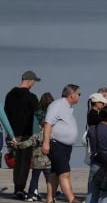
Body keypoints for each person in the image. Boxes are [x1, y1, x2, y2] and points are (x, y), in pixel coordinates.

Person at [4, 70, 41, 200]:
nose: (34, 84)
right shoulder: (32, 98)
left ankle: (17, 188)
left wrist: (8, 134)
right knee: (24, 163)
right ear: (29, 81)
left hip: (12, 134)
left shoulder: (9, 95)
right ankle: (20, 189)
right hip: (26, 135)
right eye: (34, 81)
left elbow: (5, 115)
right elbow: (38, 115)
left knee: (16, 163)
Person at [42, 84, 81, 203]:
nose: (79, 96)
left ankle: (50, 199)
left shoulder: (68, 107)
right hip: (56, 144)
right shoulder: (57, 105)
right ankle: (71, 199)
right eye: (79, 94)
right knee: (64, 173)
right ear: (72, 94)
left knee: (55, 173)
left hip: (65, 146)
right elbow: (47, 123)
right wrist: (46, 143)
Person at [15, 92, 53, 202]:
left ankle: (32, 193)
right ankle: (51, 194)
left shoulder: (36, 114)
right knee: (49, 178)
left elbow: (29, 141)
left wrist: (18, 145)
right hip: (47, 160)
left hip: (36, 157)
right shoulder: (51, 114)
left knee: (34, 178)